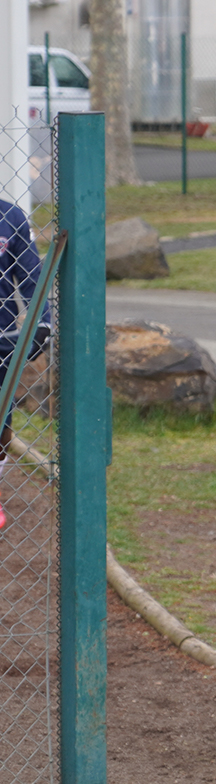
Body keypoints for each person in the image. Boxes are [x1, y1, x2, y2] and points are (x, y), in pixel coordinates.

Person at [0, 196, 45, 533]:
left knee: (2, 424)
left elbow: (32, 276)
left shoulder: (10, 215)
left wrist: (41, 322)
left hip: (1, 339)